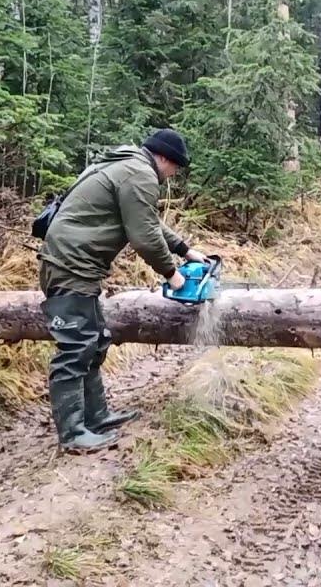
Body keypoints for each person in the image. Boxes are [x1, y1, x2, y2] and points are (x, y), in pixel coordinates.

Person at [37, 128, 210, 452]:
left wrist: (185, 250)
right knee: (75, 347)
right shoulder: (139, 173)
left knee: (96, 339)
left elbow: (146, 220)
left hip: (76, 265)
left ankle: (97, 416)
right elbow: (143, 234)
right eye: (174, 168)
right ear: (163, 158)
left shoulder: (127, 167)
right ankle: (73, 434)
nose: (172, 175)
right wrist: (173, 275)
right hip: (69, 266)